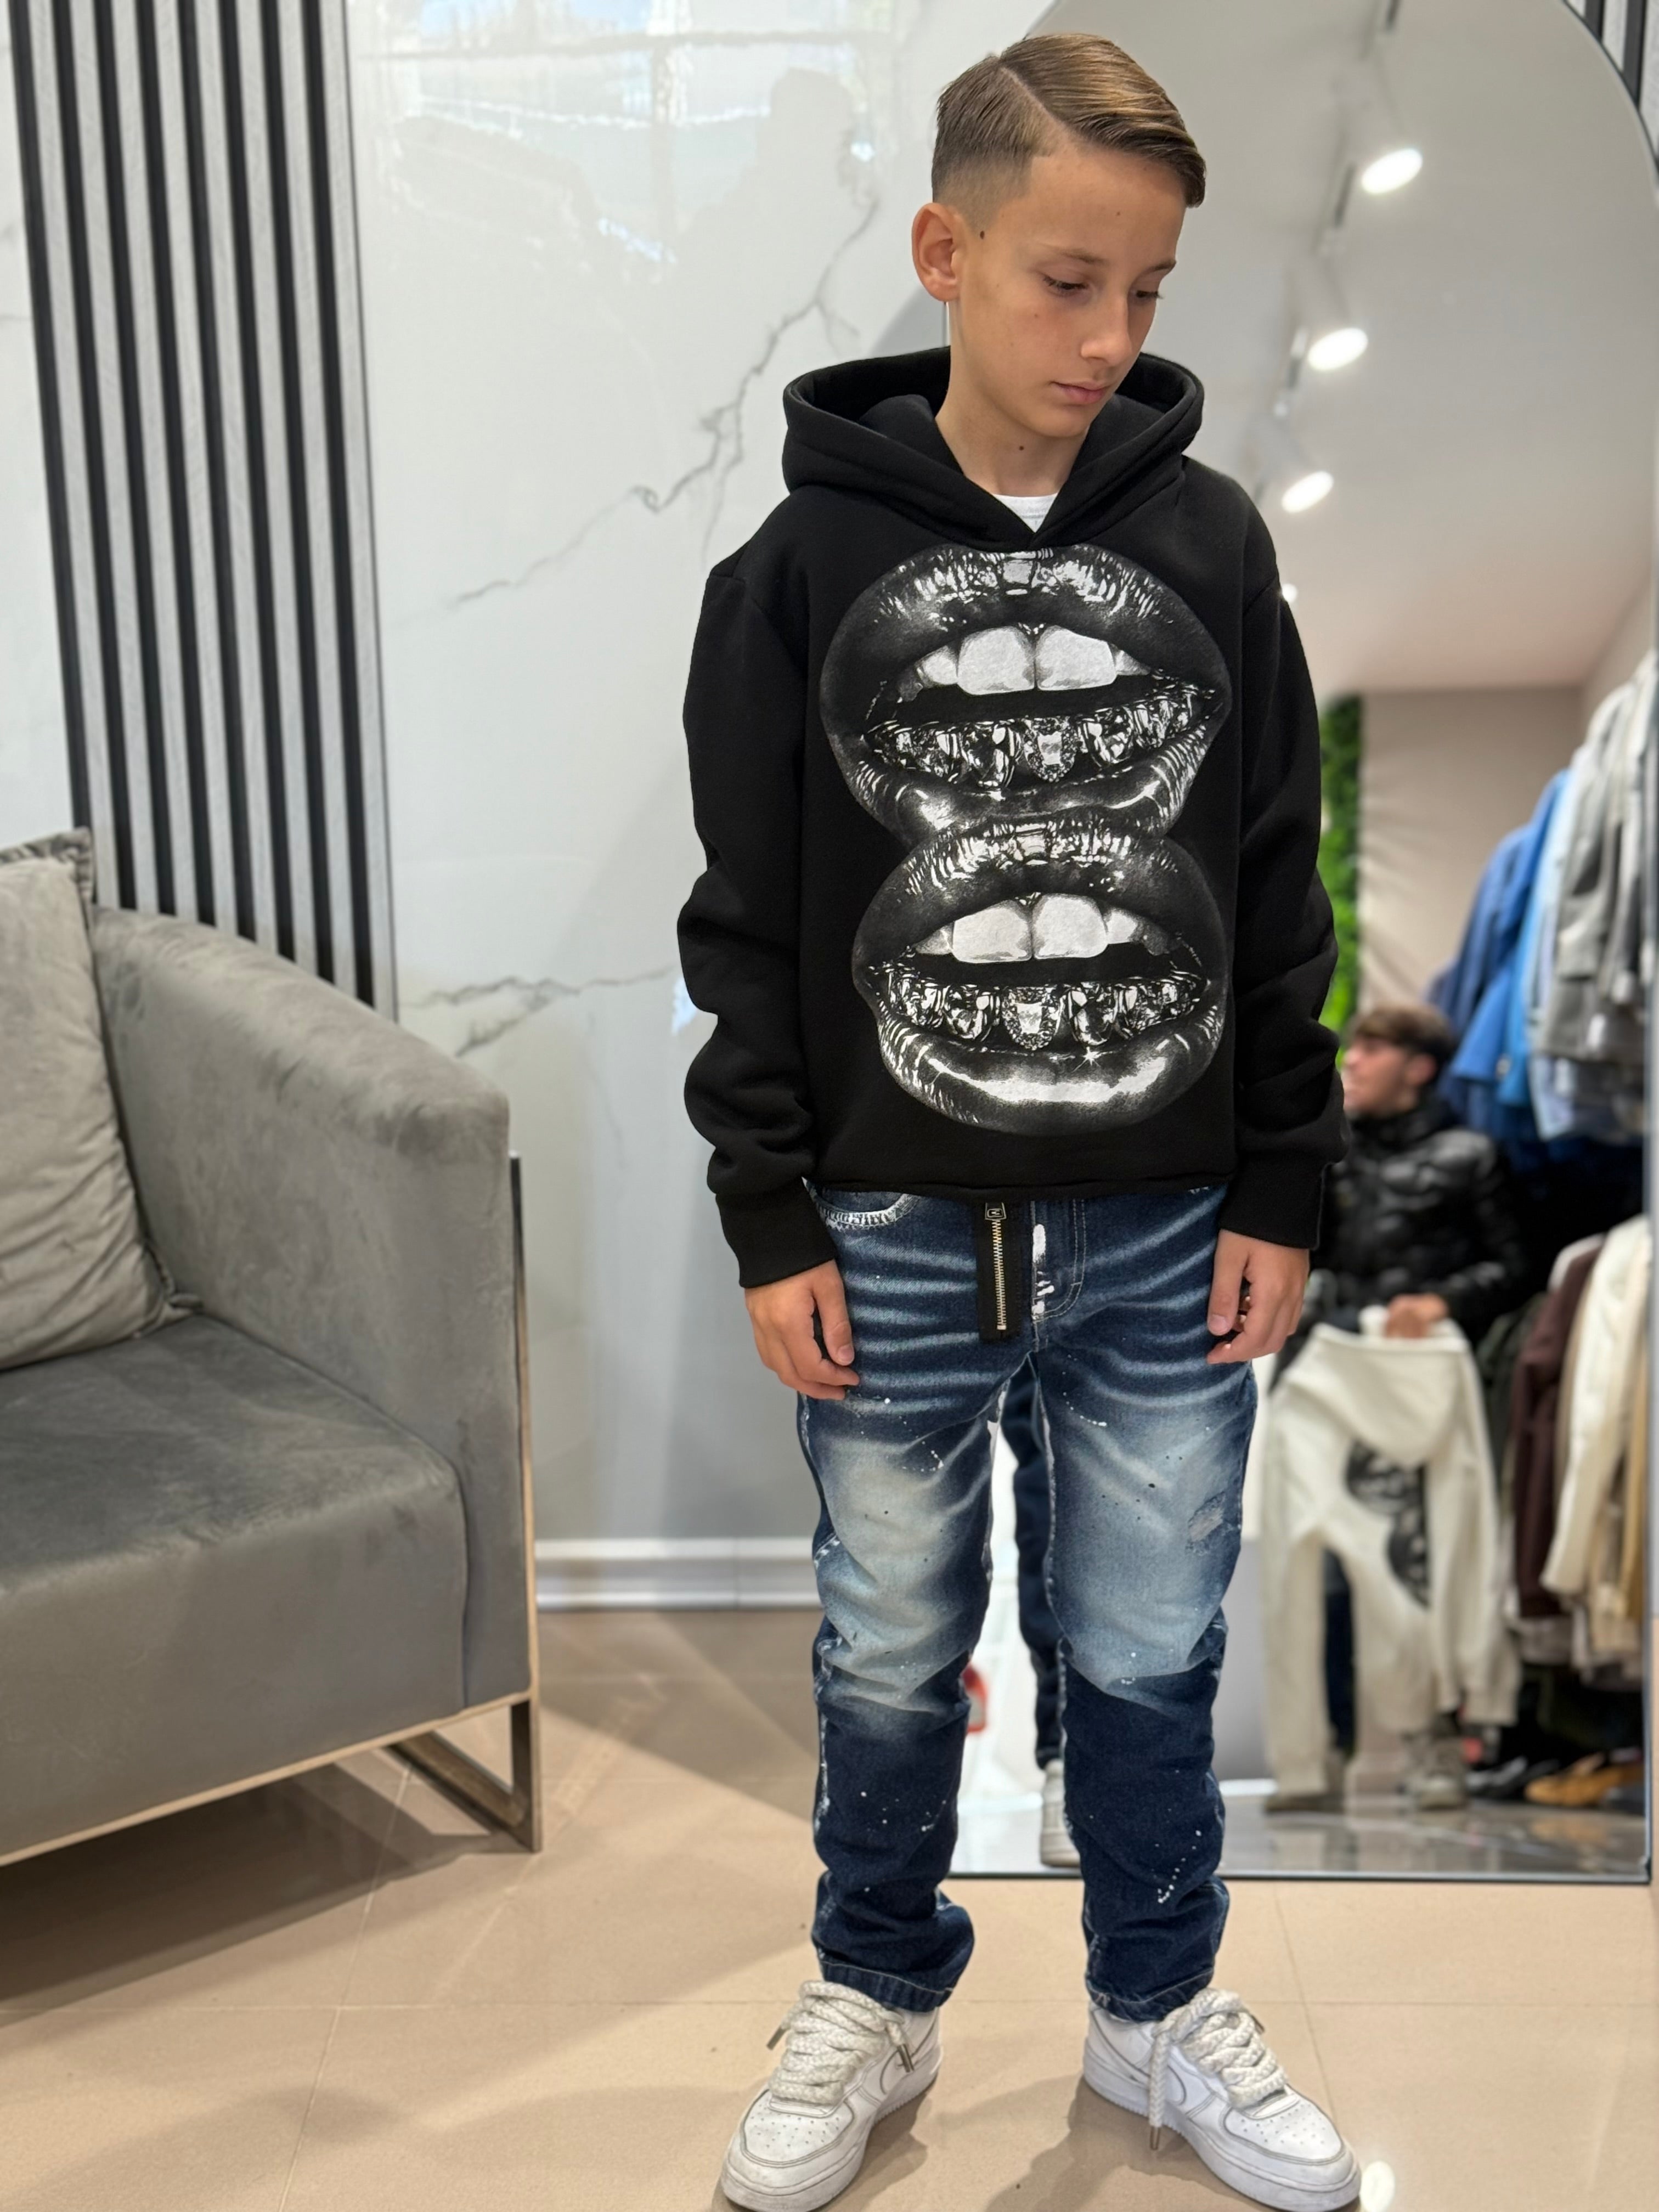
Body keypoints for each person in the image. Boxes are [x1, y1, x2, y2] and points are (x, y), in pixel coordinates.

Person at [677, 35, 1358, 2212]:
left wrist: (1287, 1171)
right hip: (886, 1219)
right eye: (1069, 280)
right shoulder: (793, 573)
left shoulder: (1214, 548)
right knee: (886, 1648)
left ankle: (1158, 2007)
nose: (1109, 337)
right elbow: (749, 919)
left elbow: (1275, 887)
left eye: (1146, 292)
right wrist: (770, 1204)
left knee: (1154, 1644)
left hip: (1168, 1222)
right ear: (944, 251)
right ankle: (877, 1992)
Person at [1306, 1003, 1530, 1343]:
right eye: (1354, 1047)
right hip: (1325, 1345)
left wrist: (1442, 1302)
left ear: (1419, 1069)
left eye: (1372, 1049)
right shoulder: (1333, 1148)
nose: (1351, 1060)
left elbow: (1516, 1267)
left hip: (1421, 1351)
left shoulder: (1473, 1156)